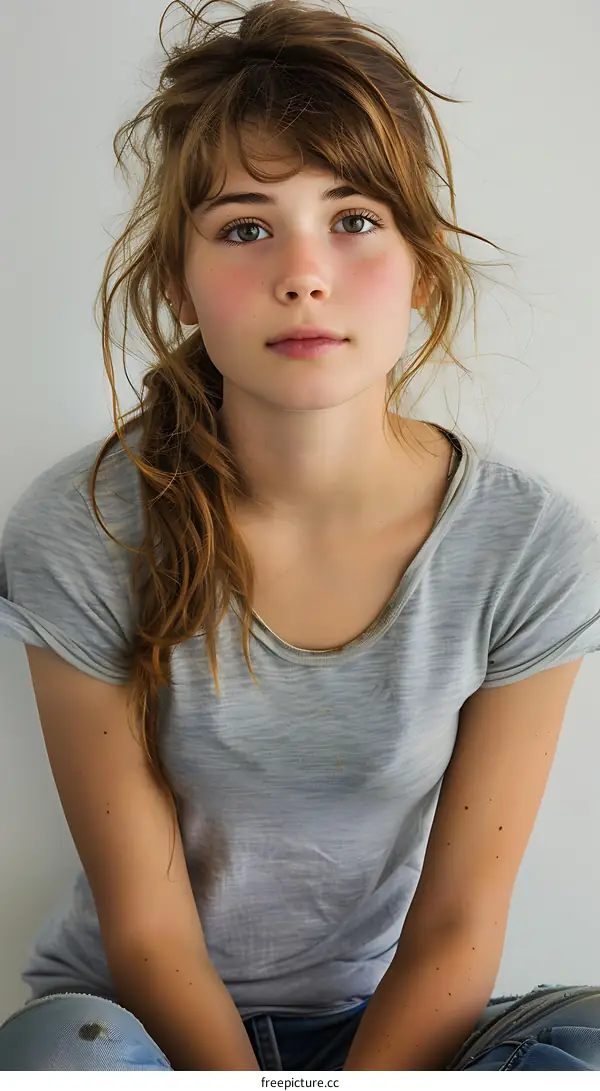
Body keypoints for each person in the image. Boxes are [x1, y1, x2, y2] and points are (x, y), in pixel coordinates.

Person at [1, 0, 600, 1073]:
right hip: (138, 1027)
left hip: (397, 1026)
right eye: (244, 226)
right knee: (66, 1059)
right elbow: (145, 929)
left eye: (355, 217)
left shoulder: (531, 544)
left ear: (420, 261)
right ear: (179, 280)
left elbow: (459, 924)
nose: (303, 270)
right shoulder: (81, 525)